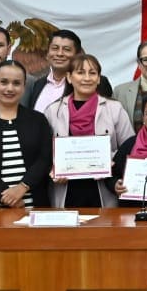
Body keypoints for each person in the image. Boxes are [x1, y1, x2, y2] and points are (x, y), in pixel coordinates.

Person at [45, 52, 133, 208]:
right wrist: (54, 168)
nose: (87, 78)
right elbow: (44, 153)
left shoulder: (114, 108)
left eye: (92, 73)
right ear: (69, 77)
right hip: (66, 191)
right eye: (80, 72)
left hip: (104, 190)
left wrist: (107, 162)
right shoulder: (53, 110)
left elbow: (129, 148)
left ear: (98, 78)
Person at [0, 60, 53, 208]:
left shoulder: (38, 120)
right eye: (4, 82)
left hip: (32, 204)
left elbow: (44, 159)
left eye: (16, 83)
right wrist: (6, 194)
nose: (10, 88)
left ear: (24, 86)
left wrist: (22, 187)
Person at [27, 28, 81, 112]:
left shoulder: (84, 85)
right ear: (47, 54)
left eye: (66, 49)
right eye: (55, 48)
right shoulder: (38, 85)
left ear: (77, 56)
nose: (59, 54)